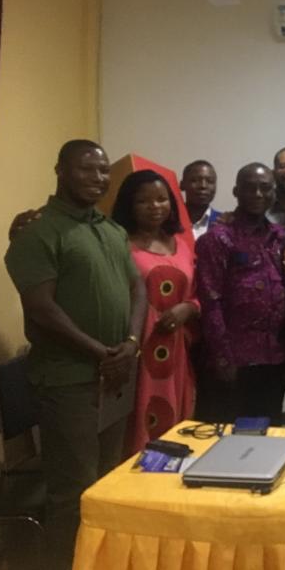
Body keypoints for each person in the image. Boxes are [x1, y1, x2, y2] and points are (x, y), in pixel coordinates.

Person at [4, 139, 147, 570]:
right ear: (61, 170)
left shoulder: (110, 229)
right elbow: (41, 308)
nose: (99, 179)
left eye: (104, 171)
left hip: (115, 376)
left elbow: (138, 289)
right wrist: (101, 352)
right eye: (87, 169)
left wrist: (131, 345)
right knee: (73, 493)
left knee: (108, 483)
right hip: (70, 382)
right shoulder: (38, 231)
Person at [111, 169, 199, 454]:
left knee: (175, 417)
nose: (154, 207)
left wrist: (189, 308)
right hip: (137, 346)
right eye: (143, 201)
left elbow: (199, 292)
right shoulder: (118, 243)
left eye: (162, 199)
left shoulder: (182, 244)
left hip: (176, 351)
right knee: (138, 418)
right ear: (129, 205)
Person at [195, 163, 285, 423]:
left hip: (274, 358)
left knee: (269, 433)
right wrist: (223, 359)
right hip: (235, 362)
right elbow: (210, 301)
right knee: (228, 440)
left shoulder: (279, 238)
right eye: (250, 188)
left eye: (265, 188)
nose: (258, 194)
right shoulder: (218, 238)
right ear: (236, 191)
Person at [180, 160, 221, 240]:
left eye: (210, 181)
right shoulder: (169, 220)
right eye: (195, 180)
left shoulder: (224, 223)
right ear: (182, 185)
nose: (203, 186)